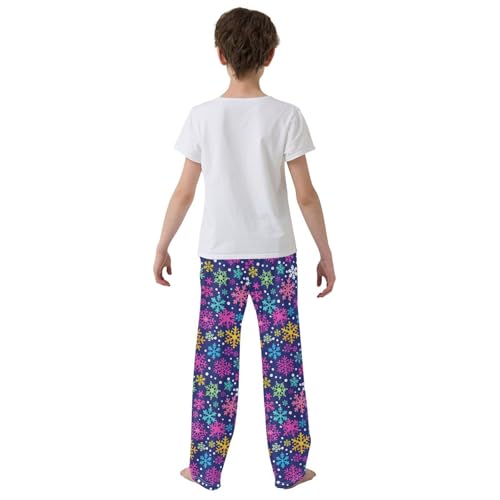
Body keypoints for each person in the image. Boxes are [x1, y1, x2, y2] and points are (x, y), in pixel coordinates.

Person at [153, 7, 336, 491]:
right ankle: (291, 469)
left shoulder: (202, 117)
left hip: (220, 260)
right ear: (271, 55)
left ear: (220, 55)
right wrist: (325, 252)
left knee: (215, 363)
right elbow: (305, 195)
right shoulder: (286, 116)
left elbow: (184, 192)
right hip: (276, 258)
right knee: (283, 361)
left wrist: (163, 244)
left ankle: (205, 468)